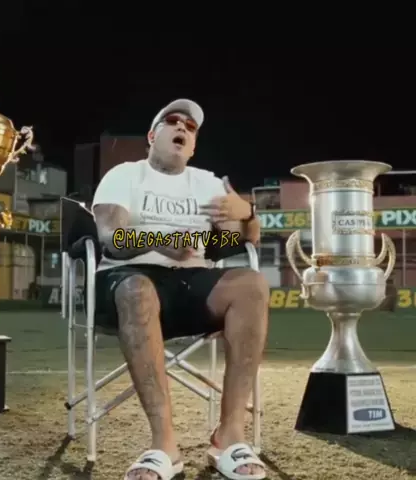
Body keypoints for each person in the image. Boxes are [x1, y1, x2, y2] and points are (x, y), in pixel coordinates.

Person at [92, 99, 268, 480]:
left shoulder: (207, 182)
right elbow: (111, 239)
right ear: (152, 136)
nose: (182, 128)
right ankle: (164, 445)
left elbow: (242, 240)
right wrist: (162, 241)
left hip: (192, 282)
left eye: (190, 128)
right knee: (136, 290)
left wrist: (248, 213)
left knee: (252, 285)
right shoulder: (125, 175)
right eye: (173, 121)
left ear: (193, 146)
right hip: (130, 278)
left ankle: (229, 435)